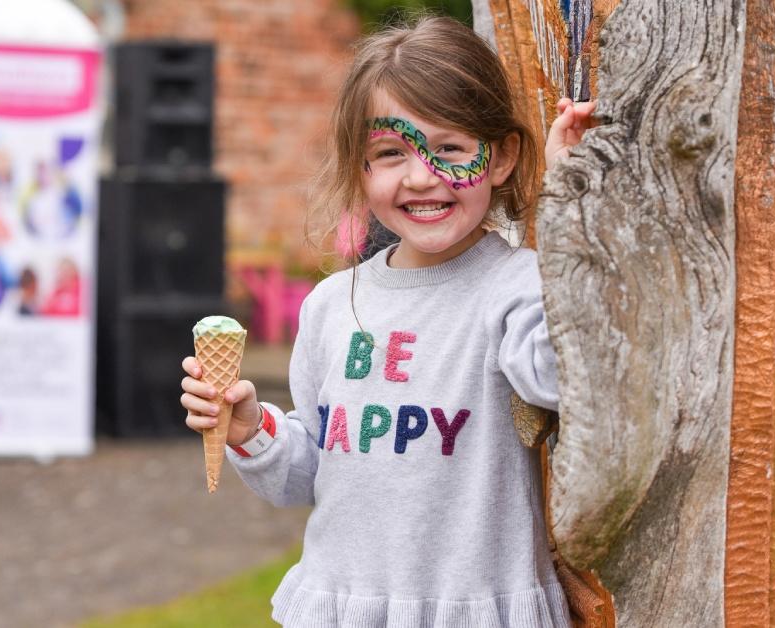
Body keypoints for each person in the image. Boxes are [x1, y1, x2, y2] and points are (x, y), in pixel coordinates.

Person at [178, 17, 596, 627]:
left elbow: (564, 380)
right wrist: (251, 428)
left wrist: (572, 202)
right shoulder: (330, 306)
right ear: (359, 168)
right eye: (391, 153)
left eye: (450, 148)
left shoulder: (519, 284)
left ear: (502, 156)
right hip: (344, 609)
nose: (421, 175)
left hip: (475, 609)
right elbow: (306, 478)